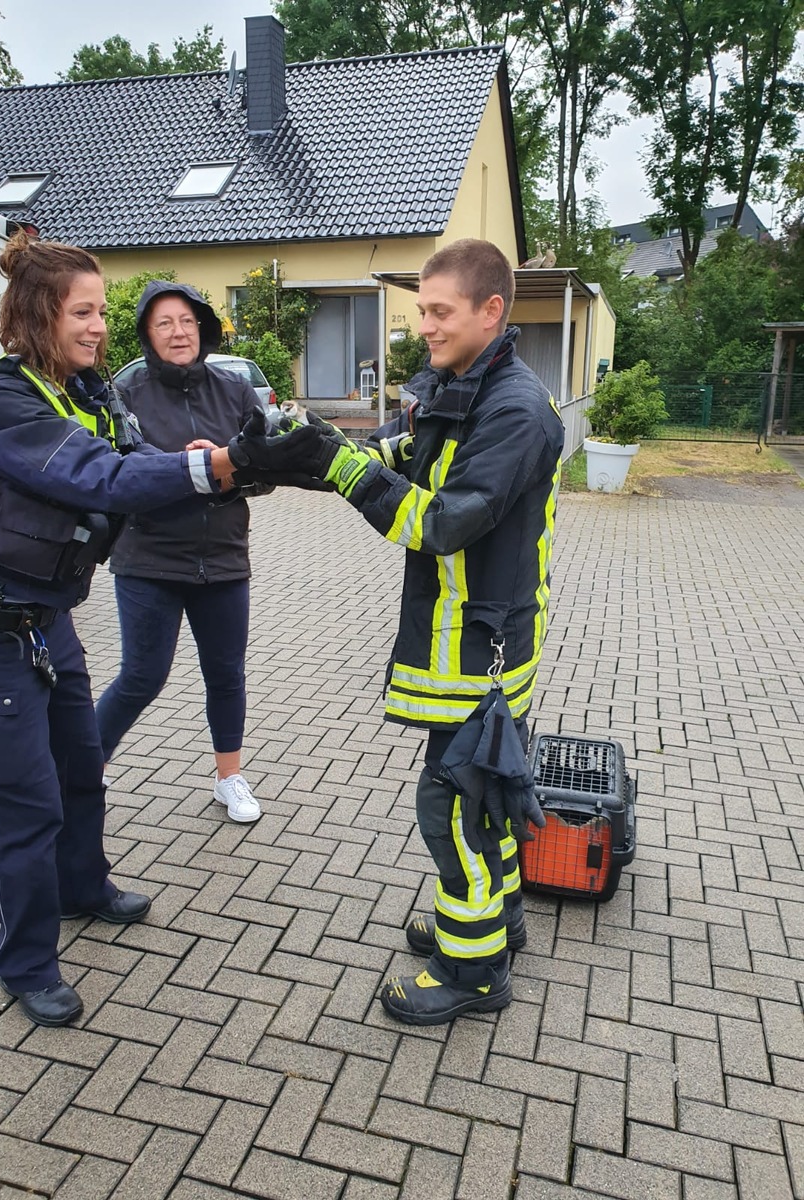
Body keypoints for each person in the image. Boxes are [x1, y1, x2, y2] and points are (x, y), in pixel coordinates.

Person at [0, 233, 317, 1028]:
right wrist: (204, 468)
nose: (99, 326)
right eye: (84, 312)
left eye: (99, 312)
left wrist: (250, 459)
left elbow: (143, 464)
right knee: (25, 804)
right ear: (38, 315)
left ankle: (83, 886)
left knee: (81, 772)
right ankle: (26, 960)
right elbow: (95, 477)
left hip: (51, 623)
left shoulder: (89, 393)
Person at [256, 238, 565, 1025]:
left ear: (490, 310)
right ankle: (496, 925)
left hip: (479, 648)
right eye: (421, 309)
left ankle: (474, 974)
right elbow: (404, 456)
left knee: (453, 806)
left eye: (438, 311)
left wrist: (349, 472)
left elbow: (445, 522)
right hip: (462, 640)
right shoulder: (465, 384)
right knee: (481, 799)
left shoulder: (516, 410)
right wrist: (310, 452)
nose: (422, 325)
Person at [95, 281, 269, 823]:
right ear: (148, 333)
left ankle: (229, 778)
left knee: (226, 674)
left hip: (222, 557)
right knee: (142, 676)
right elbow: (122, 470)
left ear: (203, 328)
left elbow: (265, 468)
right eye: (165, 323)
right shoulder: (126, 394)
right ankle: (82, 769)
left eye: (188, 321)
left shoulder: (235, 389)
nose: (179, 332)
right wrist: (191, 468)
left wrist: (226, 466)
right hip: (148, 559)